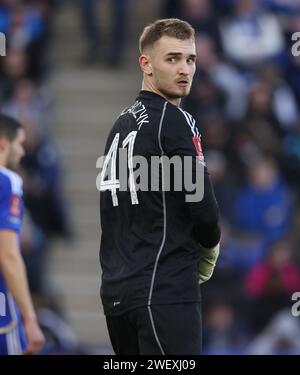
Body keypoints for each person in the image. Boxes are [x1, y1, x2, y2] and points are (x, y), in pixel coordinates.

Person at [99, 18, 221, 355]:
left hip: (118, 294)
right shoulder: (175, 120)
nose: (184, 69)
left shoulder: (120, 125)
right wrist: (210, 247)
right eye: (172, 58)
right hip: (163, 289)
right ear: (146, 64)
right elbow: (205, 211)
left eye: (190, 59)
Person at [0, 114, 45, 355]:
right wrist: (30, 319)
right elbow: (8, 255)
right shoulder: (7, 181)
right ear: (3, 144)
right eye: (19, 143)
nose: (22, 152)